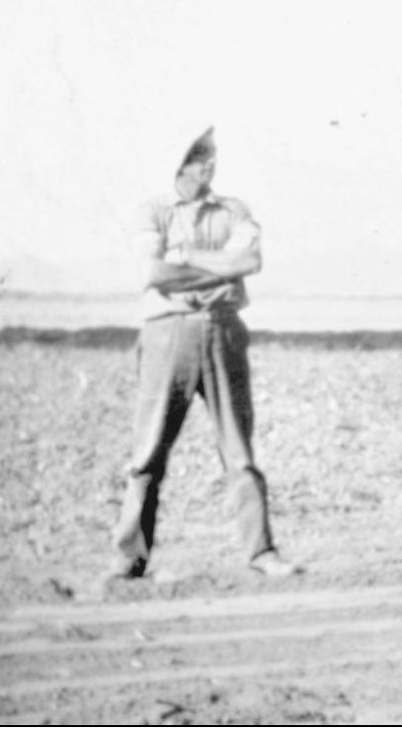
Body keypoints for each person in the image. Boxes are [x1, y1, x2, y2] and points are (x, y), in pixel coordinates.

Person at [106, 127, 298, 580]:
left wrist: (186, 257)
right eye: (196, 157)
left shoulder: (234, 210)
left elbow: (249, 263)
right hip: (166, 335)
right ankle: (128, 557)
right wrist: (216, 270)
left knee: (239, 451)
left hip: (223, 333)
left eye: (210, 155)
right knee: (149, 450)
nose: (207, 164)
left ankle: (261, 552)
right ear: (176, 162)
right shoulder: (150, 211)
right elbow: (153, 272)